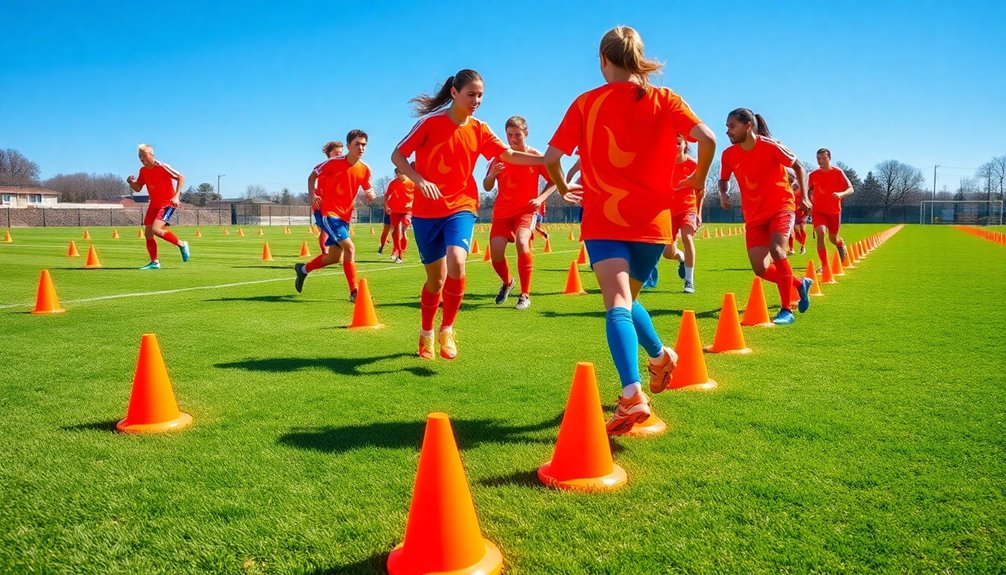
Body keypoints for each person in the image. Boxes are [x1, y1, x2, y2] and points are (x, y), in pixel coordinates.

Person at [541, 26, 717, 434]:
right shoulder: (665, 98)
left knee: (618, 302)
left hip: (605, 218)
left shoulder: (586, 103)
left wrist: (566, 187)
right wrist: (698, 180)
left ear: (603, 60)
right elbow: (707, 139)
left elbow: (552, 157)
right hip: (653, 224)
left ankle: (632, 394)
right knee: (625, 300)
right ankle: (658, 358)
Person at [391, 68, 548, 360]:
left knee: (457, 263)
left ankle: (447, 328)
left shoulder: (480, 129)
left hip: (462, 206)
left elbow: (509, 155)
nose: (477, 100)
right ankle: (426, 333)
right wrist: (419, 179)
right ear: (454, 93)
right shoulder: (429, 124)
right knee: (435, 281)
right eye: (471, 94)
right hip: (426, 212)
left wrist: (546, 158)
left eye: (481, 96)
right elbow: (397, 155)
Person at [718, 109, 813, 325]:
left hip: (781, 207)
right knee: (760, 269)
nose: (727, 131)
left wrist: (805, 197)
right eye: (727, 127)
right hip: (753, 215)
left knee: (778, 250)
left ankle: (786, 310)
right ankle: (800, 284)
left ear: (748, 126)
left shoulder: (770, 146)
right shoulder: (728, 154)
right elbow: (723, 179)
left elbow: (799, 167)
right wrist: (723, 193)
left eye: (732, 126)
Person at [483, 115, 555, 310]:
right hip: (502, 214)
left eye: (517, 135)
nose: (513, 139)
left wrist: (540, 199)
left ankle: (524, 295)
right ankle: (507, 282)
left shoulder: (535, 156)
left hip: (526, 212)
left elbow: (554, 180)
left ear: (526, 134)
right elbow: (487, 186)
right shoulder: (500, 156)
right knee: (496, 255)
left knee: (523, 244)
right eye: (509, 135)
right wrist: (492, 175)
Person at [295, 130, 376, 302]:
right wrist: (312, 195)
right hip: (330, 214)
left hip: (345, 216)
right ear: (348, 146)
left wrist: (370, 194)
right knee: (350, 248)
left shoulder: (365, 169)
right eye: (357, 144)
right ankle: (354, 292)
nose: (361, 148)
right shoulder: (332, 164)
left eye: (364, 145)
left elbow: (369, 187)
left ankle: (302, 270)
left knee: (333, 257)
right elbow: (312, 176)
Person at [126, 144, 190, 269]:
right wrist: (130, 183)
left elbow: (181, 177)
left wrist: (176, 196)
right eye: (139, 156)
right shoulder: (143, 171)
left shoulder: (162, 167)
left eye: (143, 156)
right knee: (148, 233)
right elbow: (138, 188)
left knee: (156, 230)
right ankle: (155, 262)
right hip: (153, 204)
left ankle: (181, 244)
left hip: (167, 203)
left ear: (151, 155)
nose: (141, 159)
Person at [658, 135, 703, 293]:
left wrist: (698, 212)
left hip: (688, 209)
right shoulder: (664, 164)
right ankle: (681, 258)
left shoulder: (693, 165)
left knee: (687, 237)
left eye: (678, 143)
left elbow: (700, 191)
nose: (675, 146)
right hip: (669, 212)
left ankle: (689, 281)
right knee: (668, 253)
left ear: (685, 145)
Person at [807, 148, 854, 265]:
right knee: (821, 233)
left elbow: (851, 189)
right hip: (818, 211)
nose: (820, 161)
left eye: (823, 158)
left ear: (829, 158)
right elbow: (809, 190)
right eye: (818, 159)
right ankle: (825, 265)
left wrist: (841, 194)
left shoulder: (837, 172)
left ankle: (840, 244)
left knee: (833, 238)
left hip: (834, 211)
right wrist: (808, 203)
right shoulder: (813, 175)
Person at [314, 140, 344, 255]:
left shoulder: (343, 168)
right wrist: (314, 195)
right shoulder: (321, 167)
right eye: (337, 153)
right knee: (325, 230)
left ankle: (337, 253)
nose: (339, 155)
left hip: (338, 204)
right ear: (329, 153)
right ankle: (325, 253)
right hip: (322, 203)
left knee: (340, 228)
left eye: (341, 153)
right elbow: (312, 180)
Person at [385, 167, 416, 263]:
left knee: (403, 228)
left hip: (407, 211)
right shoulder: (393, 183)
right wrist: (386, 206)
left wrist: (412, 203)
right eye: (397, 174)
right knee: (395, 233)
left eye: (400, 174)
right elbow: (387, 195)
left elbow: (418, 195)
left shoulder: (412, 182)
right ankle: (397, 252)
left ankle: (400, 254)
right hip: (395, 210)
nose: (398, 176)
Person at [788, 170, 808, 255]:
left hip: (801, 210)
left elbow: (807, 196)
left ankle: (803, 246)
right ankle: (792, 248)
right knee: (794, 230)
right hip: (792, 209)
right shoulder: (789, 182)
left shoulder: (803, 184)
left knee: (802, 229)